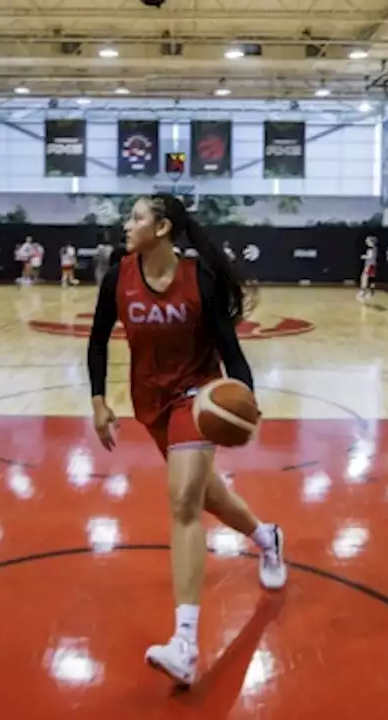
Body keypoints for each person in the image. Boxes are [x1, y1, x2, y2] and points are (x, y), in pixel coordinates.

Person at [87, 194, 286, 687]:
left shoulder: (199, 279)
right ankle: (268, 538)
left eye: (135, 217)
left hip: (196, 399)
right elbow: (96, 339)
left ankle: (185, 643)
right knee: (207, 495)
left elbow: (231, 350)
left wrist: (246, 399)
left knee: (182, 504)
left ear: (162, 227)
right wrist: (97, 400)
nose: (126, 224)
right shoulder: (119, 277)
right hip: (150, 402)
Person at [358, 235, 377, 300]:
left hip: (369, 265)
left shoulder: (371, 249)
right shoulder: (375, 248)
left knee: (364, 278)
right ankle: (371, 292)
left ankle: (363, 293)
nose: (366, 241)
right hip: (373, 265)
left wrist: (364, 256)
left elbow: (370, 256)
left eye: (367, 240)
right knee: (371, 279)